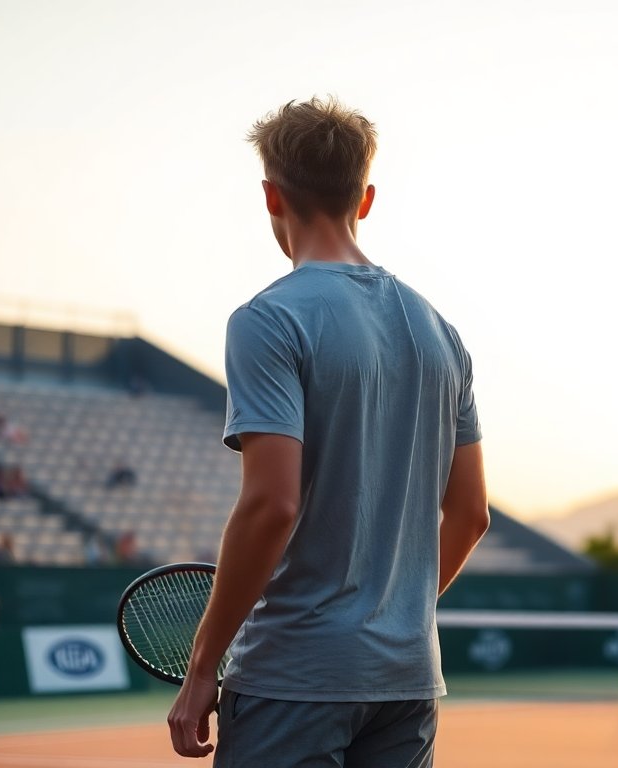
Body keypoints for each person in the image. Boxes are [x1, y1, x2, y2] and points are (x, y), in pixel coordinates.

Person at [167, 98, 490, 766]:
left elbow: (271, 504)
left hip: (296, 679)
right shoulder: (442, 335)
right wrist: (387, 616)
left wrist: (202, 669)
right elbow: (471, 515)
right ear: (365, 198)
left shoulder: (269, 319)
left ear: (270, 196)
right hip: (407, 677)